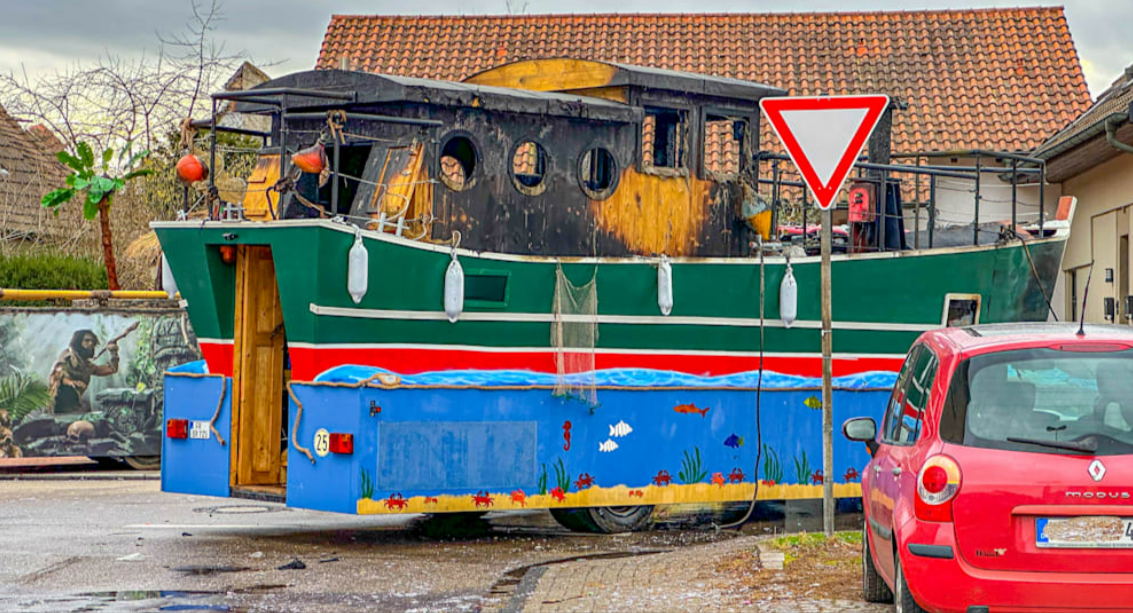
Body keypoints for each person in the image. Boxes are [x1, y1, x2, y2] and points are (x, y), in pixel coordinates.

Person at [47, 329, 119, 414]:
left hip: (75, 405)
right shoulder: (68, 356)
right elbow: (57, 374)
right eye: (87, 340)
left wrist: (113, 352)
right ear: (78, 341)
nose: (90, 343)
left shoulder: (86, 365)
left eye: (92, 341)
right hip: (59, 404)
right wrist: (70, 382)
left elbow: (111, 369)